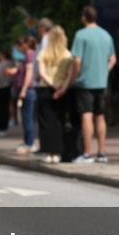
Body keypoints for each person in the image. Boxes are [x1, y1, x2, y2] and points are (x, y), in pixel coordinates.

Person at [60, 6, 116, 164]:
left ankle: (87, 153)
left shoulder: (81, 35)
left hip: (85, 83)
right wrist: (104, 71)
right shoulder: (106, 35)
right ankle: (102, 152)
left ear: (84, 17)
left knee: (86, 116)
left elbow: (76, 60)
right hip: (102, 82)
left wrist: (75, 77)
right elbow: (113, 59)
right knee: (100, 116)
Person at [37, 25, 73, 164]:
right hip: (62, 91)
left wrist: (52, 84)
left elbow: (41, 72)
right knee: (60, 121)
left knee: (46, 122)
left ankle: (48, 152)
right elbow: (70, 75)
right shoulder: (68, 55)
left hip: (46, 89)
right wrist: (62, 88)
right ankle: (58, 152)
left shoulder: (44, 53)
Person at [13, 35, 37, 153]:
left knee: (27, 117)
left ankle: (30, 143)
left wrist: (23, 90)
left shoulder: (29, 54)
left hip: (28, 90)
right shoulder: (29, 55)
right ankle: (27, 141)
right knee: (26, 117)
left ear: (25, 44)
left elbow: (29, 74)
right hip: (27, 89)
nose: (18, 48)